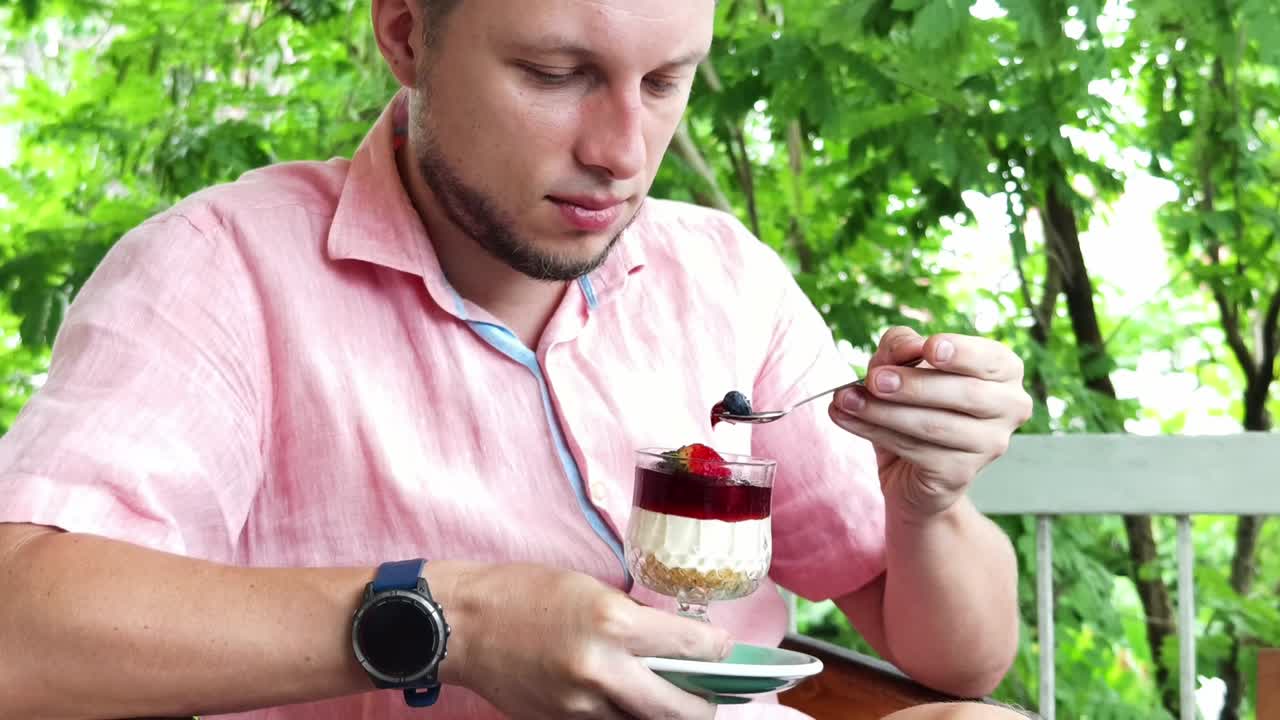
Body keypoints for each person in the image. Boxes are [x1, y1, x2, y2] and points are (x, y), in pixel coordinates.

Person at [0, 1, 1036, 719]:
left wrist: (930, 501)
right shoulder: (222, 272)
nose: (623, 151)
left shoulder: (721, 276)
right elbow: (20, 627)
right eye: (556, 74)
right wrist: (456, 621)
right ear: (405, 32)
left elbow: (957, 657)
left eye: (665, 81)